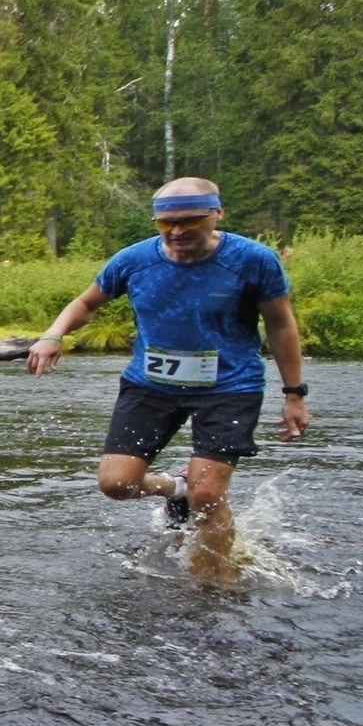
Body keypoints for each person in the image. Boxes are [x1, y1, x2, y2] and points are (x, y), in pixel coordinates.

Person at [26, 178, 310, 580]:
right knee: (116, 484)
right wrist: (53, 335)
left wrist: (294, 393)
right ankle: (174, 488)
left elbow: (280, 324)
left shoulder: (253, 260)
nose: (177, 232)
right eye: (166, 223)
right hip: (150, 385)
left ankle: (210, 590)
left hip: (229, 387)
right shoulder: (133, 260)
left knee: (208, 493)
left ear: (217, 214)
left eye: (189, 221)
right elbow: (87, 302)